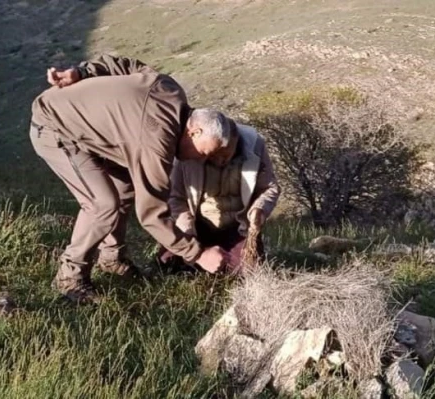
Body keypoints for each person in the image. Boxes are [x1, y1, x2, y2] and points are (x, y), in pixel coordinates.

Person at [30, 54, 232, 302]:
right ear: (194, 131)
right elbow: (151, 214)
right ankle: (69, 278)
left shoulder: (170, 90)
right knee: (102, 205)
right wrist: (198, 254)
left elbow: (124, 65)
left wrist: (82, 72)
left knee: (124, 188)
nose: (198, 160)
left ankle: (111, 259)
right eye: (203, 152)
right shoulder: (157, 141)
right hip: (54, 127)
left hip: (85, 131)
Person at [158, 118, 280, 275]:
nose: (220, 160)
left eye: (226, 154)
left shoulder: (255, 146)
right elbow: (176, 198)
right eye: (214, 155)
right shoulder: (186, 152)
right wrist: (189, 237)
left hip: (236, 225)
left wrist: (259, 209)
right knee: (168, 265)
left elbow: (269, 187)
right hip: (196, 222)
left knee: (249, 270)